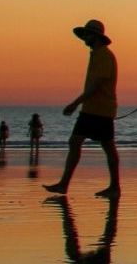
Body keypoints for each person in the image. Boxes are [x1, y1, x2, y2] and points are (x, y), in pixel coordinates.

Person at [44, 19, 121, 198]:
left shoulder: (103, 55)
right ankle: (67, 184)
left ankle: (112, 187)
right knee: (86, 143)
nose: (85, 37)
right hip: (95, 109)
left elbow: (95, 86)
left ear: (95, 36)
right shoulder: (97, 54)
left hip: (99, 109)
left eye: (87, 34)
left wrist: (75, 103)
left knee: (92, 144)